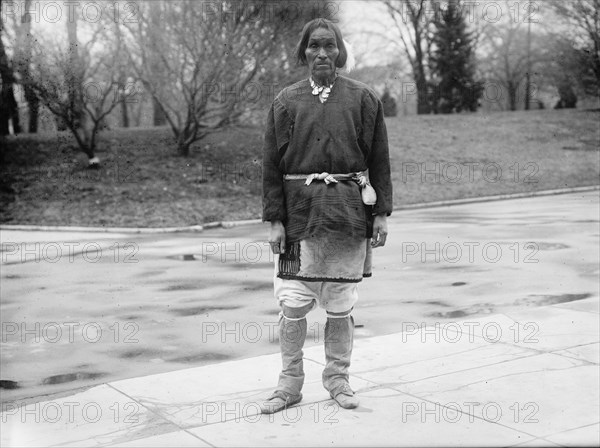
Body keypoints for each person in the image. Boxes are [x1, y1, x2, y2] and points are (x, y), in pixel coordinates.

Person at [261, 18, 393, 414]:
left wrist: (382, 213)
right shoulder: (286, 101)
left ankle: (338, 379)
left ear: (340, 52)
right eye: (314, 46)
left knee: (340, 302)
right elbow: (270, 163)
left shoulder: (364, 99)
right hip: (299, 215)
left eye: (329, 46)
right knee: (293, 302)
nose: (322, 53)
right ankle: (289, 384)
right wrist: (274, 220)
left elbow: (379, 161)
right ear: (303, 52)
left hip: (349, 215)